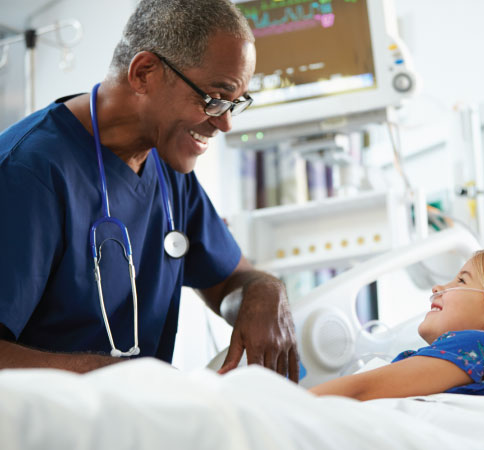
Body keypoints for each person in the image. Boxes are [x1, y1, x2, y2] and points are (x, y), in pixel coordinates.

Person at [0, 0, 299, 380]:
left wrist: (264, 290)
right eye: (214, 98)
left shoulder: (167, 165)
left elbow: (231, 280)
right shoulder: (28, 173)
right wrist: (115, 377)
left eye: (235, 104)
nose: (224, 124)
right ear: (144, 74)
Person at [310, 249, 484, 400]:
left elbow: (361, 389)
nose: (438, 287)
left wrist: (285, 403)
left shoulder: (479, 347)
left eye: (461, 281)